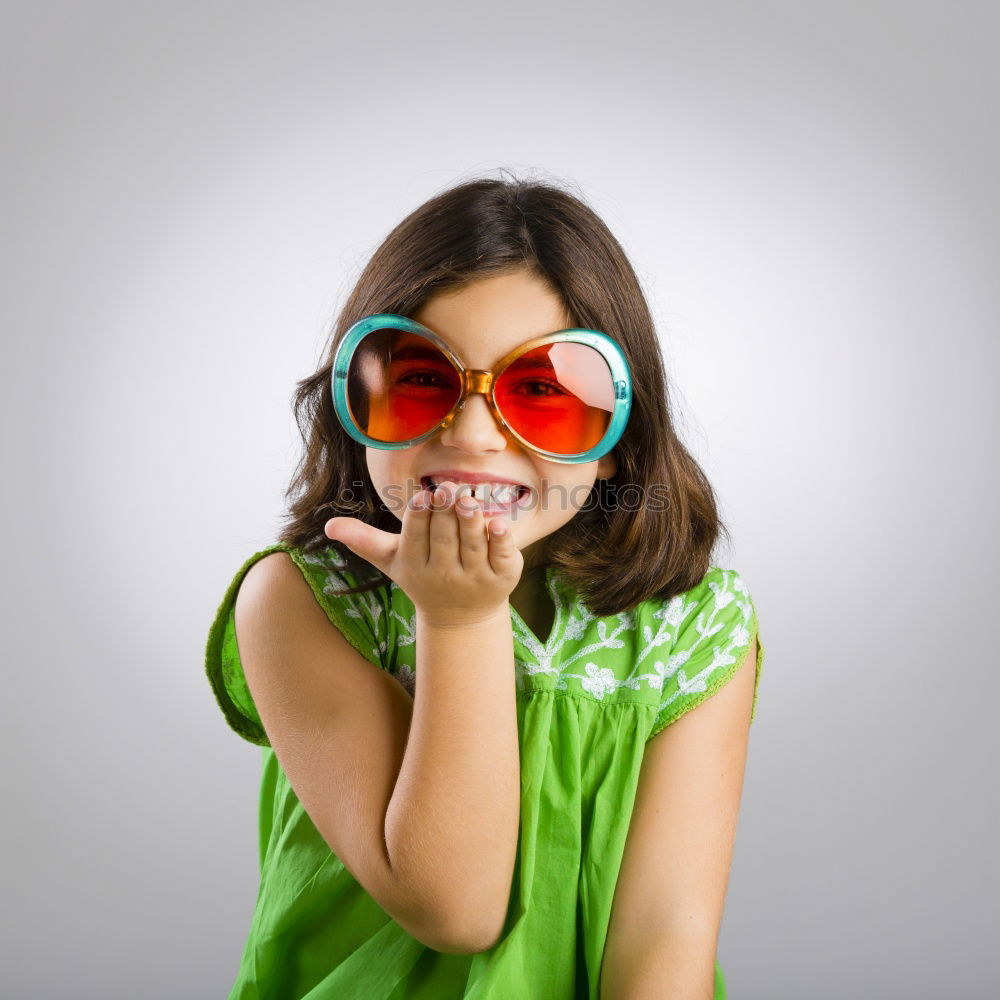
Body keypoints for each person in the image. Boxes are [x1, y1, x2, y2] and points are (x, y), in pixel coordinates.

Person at [204, 172, 764, 999]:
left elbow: (666, 932)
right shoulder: (300, 601)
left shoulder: (697, 624)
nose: (471, 435)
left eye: (541, 391)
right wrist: (459, 621)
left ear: (617, 435)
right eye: (423, 377)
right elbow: (453, 906)